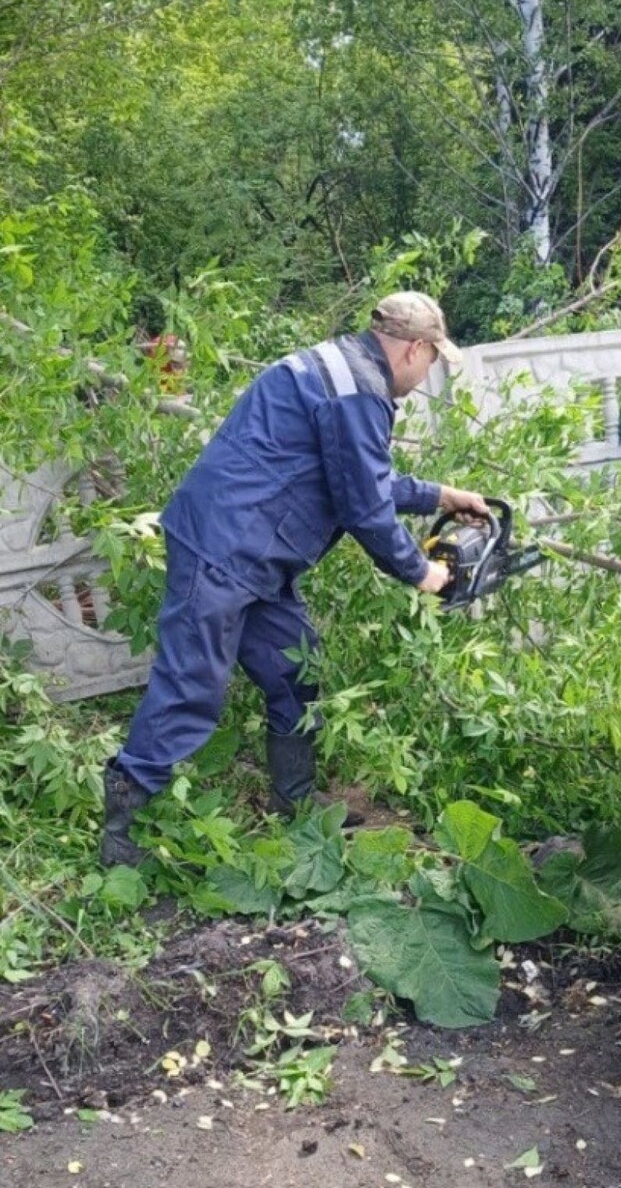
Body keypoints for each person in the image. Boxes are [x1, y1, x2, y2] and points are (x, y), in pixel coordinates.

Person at [101, 291, 488, 866]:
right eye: (433, 359)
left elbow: (361, 478)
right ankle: (121, 835)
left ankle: (296, 804)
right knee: (191, 687)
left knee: (294, 669)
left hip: (257, 554)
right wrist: (423, 573)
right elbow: (365, 508)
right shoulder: (358, 390)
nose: (428, 371)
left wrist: (440, 495)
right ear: (414, 348)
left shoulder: (342, 369)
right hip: (222, 547)